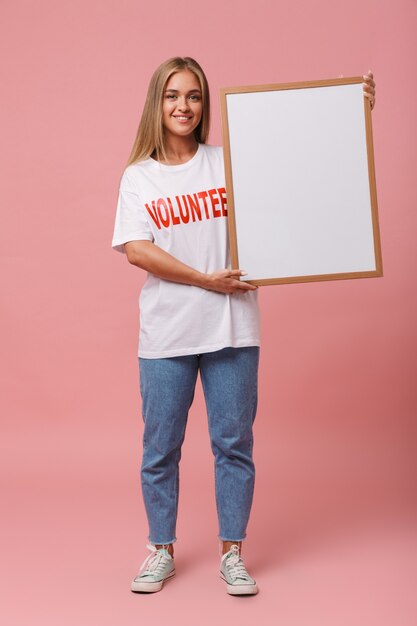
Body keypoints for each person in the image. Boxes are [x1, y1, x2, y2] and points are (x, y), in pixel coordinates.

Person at [111, 57, 376, 596]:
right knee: (160, 447)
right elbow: (138, 251)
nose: (183, 106)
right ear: (156, 105)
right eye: (172, 96)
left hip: (233, 329)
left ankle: (232, 552)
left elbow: (301, 178)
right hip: (166, 333)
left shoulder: (227, 164)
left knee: (233, 444)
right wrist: (206, 281)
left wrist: (350, 112)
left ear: (205, 105)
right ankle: (160, 550)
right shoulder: (139, 176)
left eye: (193, 96)